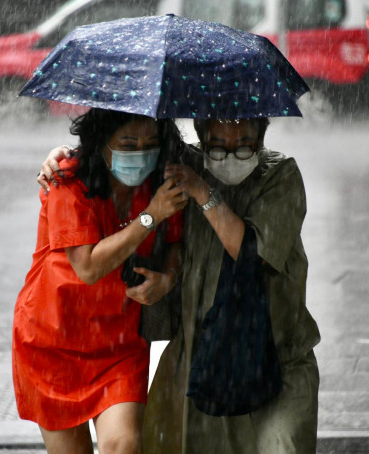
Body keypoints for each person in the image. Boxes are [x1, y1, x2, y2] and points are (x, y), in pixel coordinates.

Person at [38, 117, 321, 454]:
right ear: (201, 137)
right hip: (204, 360)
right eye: (217, 146)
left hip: (277, 357)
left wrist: (203, 192)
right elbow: (119, 151)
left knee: (282, 446)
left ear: (262, 137)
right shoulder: (183, 165)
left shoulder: (280, 175)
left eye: (245, 145)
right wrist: (65, 157)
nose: (230, 156)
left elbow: (253, 255)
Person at [13, 108, 187, 454]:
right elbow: (89, 267)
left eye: (150, 143)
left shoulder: (164, 182)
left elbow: (175, 244)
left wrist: (167, 277)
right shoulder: (68, 180)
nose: (140, 153)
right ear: (101, 143)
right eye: (127, 143)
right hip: (52, 341)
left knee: (124, 445)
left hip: (118, 343)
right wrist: (151, 215)